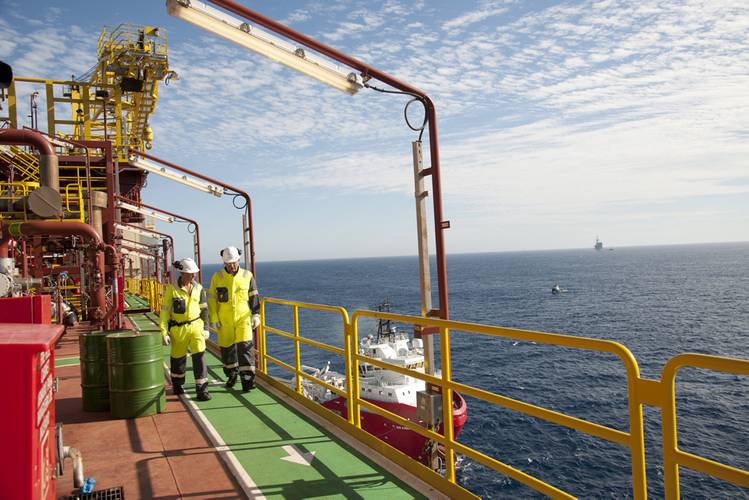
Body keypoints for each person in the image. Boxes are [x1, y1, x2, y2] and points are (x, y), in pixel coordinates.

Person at [208, 246, 260, 392]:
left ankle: (248, 381)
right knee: (227, 350)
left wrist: (256, 314)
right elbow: (212, 300)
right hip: (224, 321)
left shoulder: (247, 275)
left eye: (234, 262)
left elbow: (254, 295)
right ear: (224, 263)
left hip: (243, 319)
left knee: (246, 350)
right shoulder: (217, 277)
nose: (231, 266)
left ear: (238, 260)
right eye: (228, 263)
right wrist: (214, 318)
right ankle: (231, 374)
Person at [160, 258, 211, 401]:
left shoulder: (199, 288)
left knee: (199, 357)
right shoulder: (172, 290)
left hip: (196, 327)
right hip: (179, 328)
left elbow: (204, 310)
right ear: (182, 273)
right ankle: (177, 384)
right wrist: (164, 332)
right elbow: (164, 312)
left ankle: (202, 390)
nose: (193, 276)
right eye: (191, 273)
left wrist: (206, 328)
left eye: (194, 273)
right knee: (178, 359)